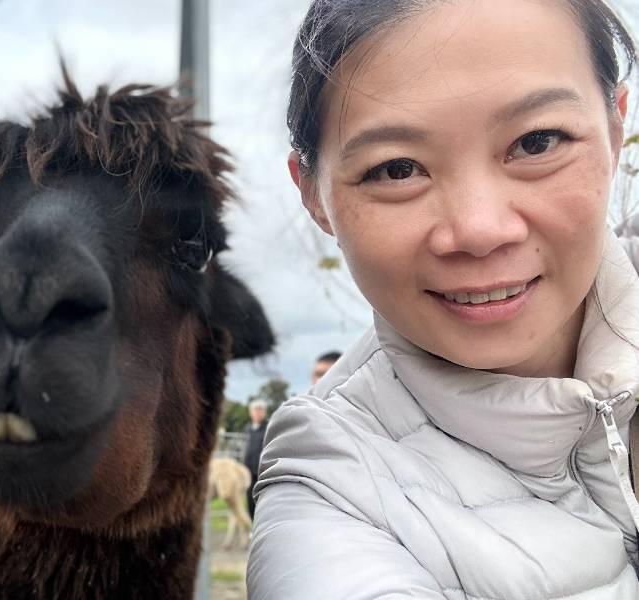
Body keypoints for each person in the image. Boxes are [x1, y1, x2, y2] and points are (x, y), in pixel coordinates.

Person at [248, 1, 639, 598]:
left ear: (616, 130)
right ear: (314, 195)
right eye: (396, 169)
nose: (479, 231)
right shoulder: (332, 492)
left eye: (537, 141)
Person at [243, 399, 269, 519]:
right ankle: (252, 528)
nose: (258, 413)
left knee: (263, 500)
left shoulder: (268, 428)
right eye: (255, 410)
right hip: (249, 471)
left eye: (260, 410)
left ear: (264, 412)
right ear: (251, 413)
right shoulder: (248, 429)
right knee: (249, 500)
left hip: (262, 471)